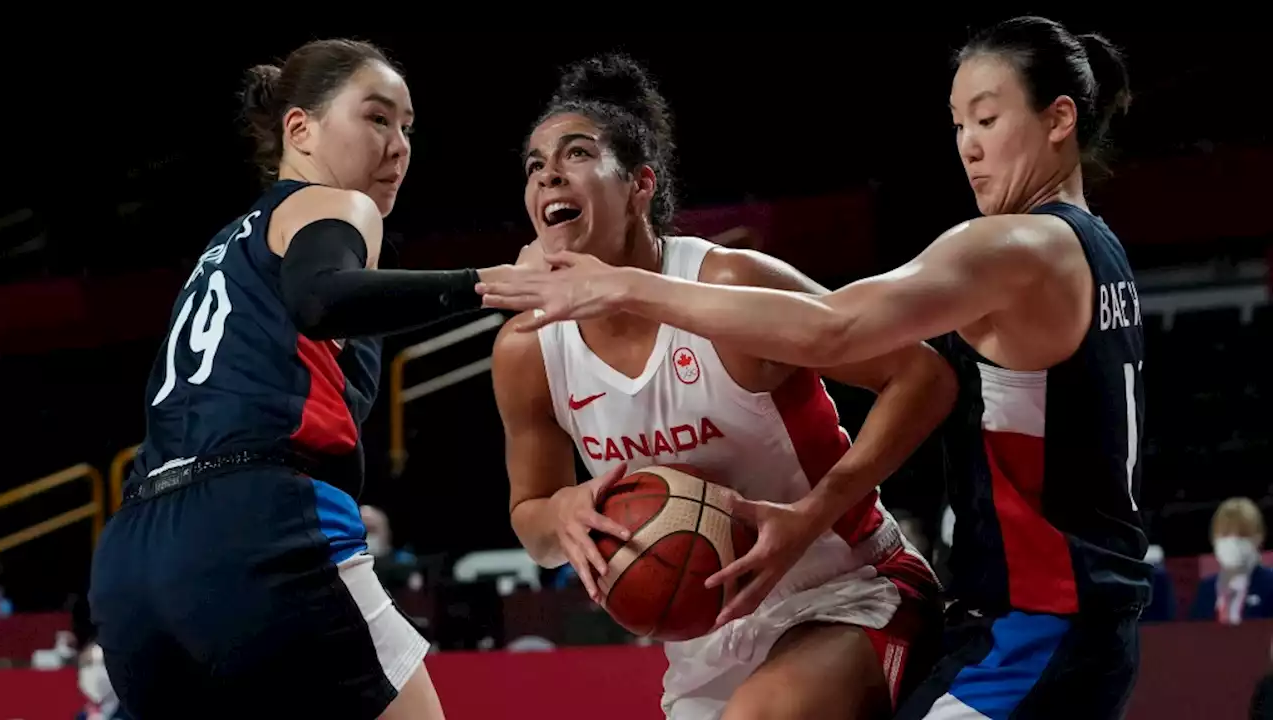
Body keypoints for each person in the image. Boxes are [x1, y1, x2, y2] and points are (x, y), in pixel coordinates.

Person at [480, 17, 1151, 718]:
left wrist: (621, 286)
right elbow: (530, 511)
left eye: (987, 118)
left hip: (981, 613)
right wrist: (560, 511)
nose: (968, 148)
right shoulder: (1084, 247)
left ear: (1059, 120)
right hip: (1011, 617)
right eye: (958, 125)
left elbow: (844, 332)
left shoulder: (1019, 244)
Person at [490, 53, 956, 720]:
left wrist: (810, 517)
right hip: (707, 644)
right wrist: (562, 512)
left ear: (640, 185)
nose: (549, 175)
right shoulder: (527, 350)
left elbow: (922, 376)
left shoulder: (727, 287)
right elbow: (529, 515)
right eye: (535, 166)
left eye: (577, 153)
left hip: (850, 590)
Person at [88, 38, 531, 720]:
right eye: (377, 118)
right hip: (253, 525)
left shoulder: (224, 247)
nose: (398, 145)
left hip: (135, 557)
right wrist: (491, 285)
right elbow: (324, 299)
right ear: (300, 129)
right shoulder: (332, 205)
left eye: (408, 128)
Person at [1190, 497, 1274, 624]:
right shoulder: (1206, 589)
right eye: (1225, 535)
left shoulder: (1270, 584)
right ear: (1214, 539)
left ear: (1259, 538)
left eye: (1242, 535)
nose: (1233, 542)